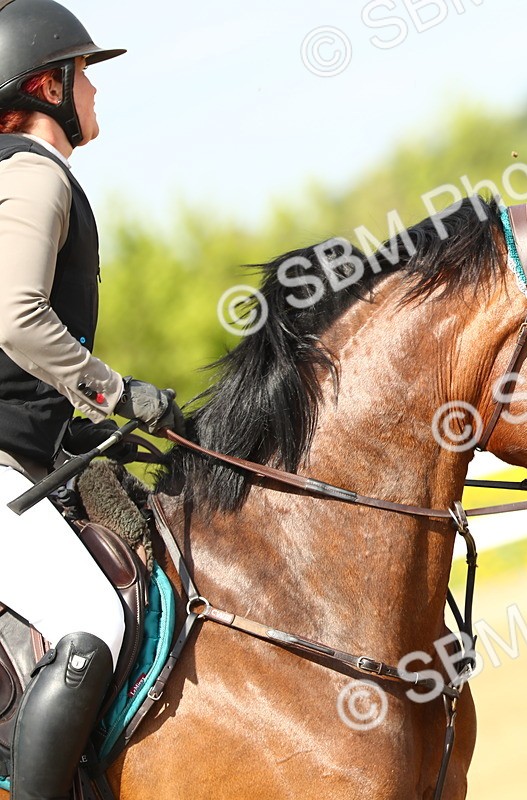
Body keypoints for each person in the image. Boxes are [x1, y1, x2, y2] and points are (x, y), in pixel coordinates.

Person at [0, 2, 184, 797]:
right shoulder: (35, 173)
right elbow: (14, 317)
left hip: (23, 457)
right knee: (92, 627)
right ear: (47, 85)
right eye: (86, 77)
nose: (97, 95)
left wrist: (85, 425)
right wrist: (113, 392)